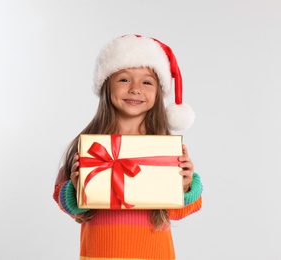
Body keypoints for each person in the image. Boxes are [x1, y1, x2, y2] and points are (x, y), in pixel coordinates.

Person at [53, 34, 203, 260]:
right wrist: (77, 188)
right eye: (124, 79)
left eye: (147, 82)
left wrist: (185, 185)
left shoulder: (165, 151)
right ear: (106, 86)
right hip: (99, 254)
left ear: (159, 92)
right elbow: (65, 204)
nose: (135, 89)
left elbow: (179, 211)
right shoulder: (90, 147)